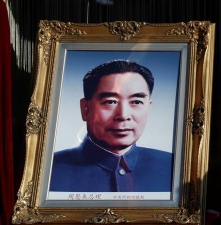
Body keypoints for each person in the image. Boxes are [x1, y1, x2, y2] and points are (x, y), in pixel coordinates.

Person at [49, 59, 173, 192]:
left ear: (148, 107)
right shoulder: (48, 170)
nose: (123, 115)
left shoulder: (173, 166)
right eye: (111, 102)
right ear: (85, 109)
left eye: (136, 101)